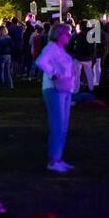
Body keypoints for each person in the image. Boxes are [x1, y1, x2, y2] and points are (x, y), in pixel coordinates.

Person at [35, 23, 79, 172]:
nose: (69, 36)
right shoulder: (51, 48)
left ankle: (58, 158)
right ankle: (53, 160)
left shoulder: (61, 50)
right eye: (67, 33)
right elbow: (41, 62)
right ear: (59, 35)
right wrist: (54, 73)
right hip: (54, 89)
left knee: (63, 125)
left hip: (65, 89)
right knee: (57, 125)